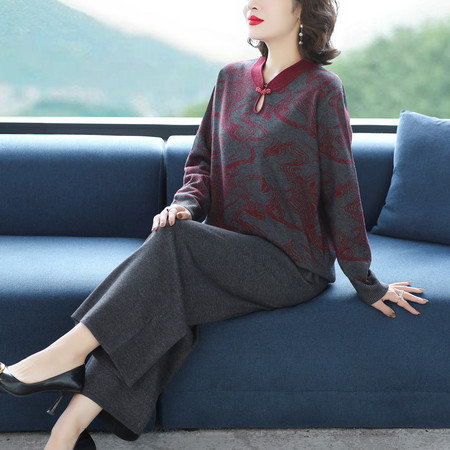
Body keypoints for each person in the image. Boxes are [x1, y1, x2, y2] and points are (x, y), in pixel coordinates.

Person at [0, 0, 429, 448]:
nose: (252, 4)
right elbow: (201, 163)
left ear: (303, 10)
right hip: (225, 250)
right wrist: (185, 204)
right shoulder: (230, 79)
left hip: (291, 264)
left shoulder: (322, 89)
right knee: (166, 291)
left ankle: (60, 358)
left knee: (175, 248)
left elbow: (342, 188)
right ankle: (66, 433)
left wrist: (365, 281)